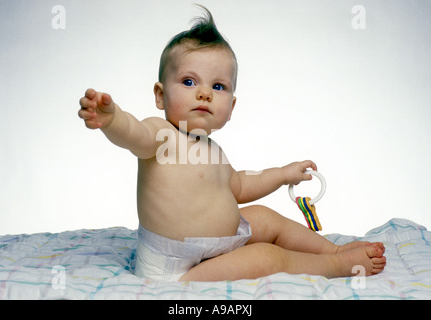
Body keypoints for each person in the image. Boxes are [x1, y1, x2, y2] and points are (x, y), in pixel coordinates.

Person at [78, 7, 386, 282]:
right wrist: (113, 118)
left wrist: (282, 174)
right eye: (188, 81)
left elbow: (237, 187)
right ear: (160, 95)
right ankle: (337, 266)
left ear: (232, 106)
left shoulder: (212, 149)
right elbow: (134, 134)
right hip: (174, 269)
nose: (204, 93)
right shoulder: (162, 135)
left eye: (218, 86)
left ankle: (334, 249)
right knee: (267, 256)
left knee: (263, 215)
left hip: (215, 248)